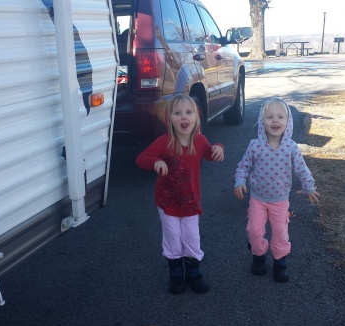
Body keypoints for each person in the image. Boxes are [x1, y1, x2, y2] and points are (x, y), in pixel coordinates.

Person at [136, 94, 224, 294]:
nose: (184, 117)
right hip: (167, 201)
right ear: (170, 119)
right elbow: (142, 158)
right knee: (173, 236)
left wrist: (219, 147)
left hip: (191, 201)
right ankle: (176, 274)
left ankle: (194, 273)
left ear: (196, 117)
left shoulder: (200, 140)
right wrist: (155, 162)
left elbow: (210, 153)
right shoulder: (164, 141)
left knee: (191, 236)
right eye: (178, 113)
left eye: (188, 112)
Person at [234, 97, 320, 283]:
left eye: (280, 117)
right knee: (255, 232)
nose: (275, 121)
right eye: (270, 117)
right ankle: (259, 257)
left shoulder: (291, 147)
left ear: (287, 122)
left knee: (280, 233)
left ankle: (280, 264)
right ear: (261, 121)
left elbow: (301, 168)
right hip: (257, 199)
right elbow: (243, 166)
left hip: (280, 201)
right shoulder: (254, 145)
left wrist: (308, 187)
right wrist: (239, 181)